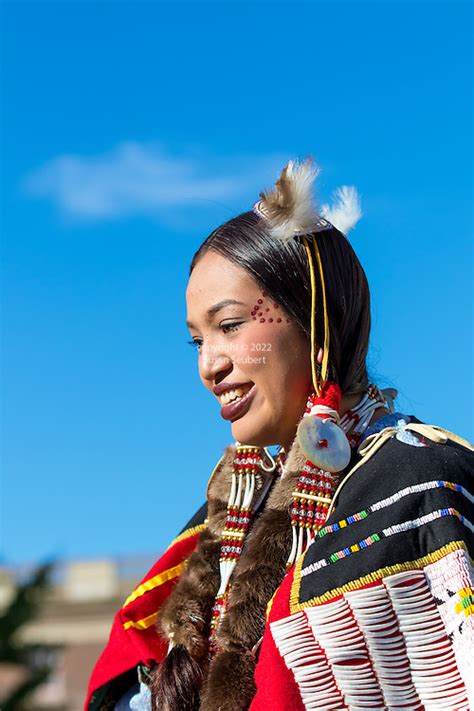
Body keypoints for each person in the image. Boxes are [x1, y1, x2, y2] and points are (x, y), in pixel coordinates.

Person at [86, 159, 473, 711]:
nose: (209, 366)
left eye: (230, 325)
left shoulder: (420, 486)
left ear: (315, 320)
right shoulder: (225, 517)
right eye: (197, 341)